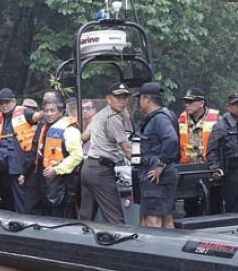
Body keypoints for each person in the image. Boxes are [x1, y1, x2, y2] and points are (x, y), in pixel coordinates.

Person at [0, 88, 43, 212]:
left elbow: (36, 117)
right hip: (2, 156)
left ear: (13, 101)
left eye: (6, 102)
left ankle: (22, 215)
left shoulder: (23, 112)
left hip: (19, 156)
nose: (4, 105)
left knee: (18, 187)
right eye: (1, 103)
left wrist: (47, 110)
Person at [80, 83, 132, 224]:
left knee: (86, 218)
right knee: (115, 218)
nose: (122, 101)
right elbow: (127, 150)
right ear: (108, 98)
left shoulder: (99, 115)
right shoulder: (112, 118)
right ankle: (120, 246)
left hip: (88, 168)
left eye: (125, 97)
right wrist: (146, 164)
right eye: (118, 97)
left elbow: (83, 137)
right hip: (100, 170)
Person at [134, 82, 179, 228]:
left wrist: (160, 164)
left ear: (146, 99)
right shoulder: (168, 115)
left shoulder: (159, 118)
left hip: (156, 174)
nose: (139, 102)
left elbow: (171, 139)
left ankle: (154, 249)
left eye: (140, 98)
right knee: (167, 217)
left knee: (152, 219)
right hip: (165, 172)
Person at [35, 97, 83, 218]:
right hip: (49, 182)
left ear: (61, 112)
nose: (49, 114)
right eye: (46, 111)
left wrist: (57, 170)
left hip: (65, 182)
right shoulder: (46, 127)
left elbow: (77, 156)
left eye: (52, 110)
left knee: (64, 215)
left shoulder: (70, 130)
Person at [178, 87, 221, 216]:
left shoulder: (217, 120)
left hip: (210, 169)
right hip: (189, 169)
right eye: (186, 101)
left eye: (191, 102)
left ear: (201, 103)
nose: (187, 104)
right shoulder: (180, 120)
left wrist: (219, 168)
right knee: (190, 207)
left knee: (214, 205)